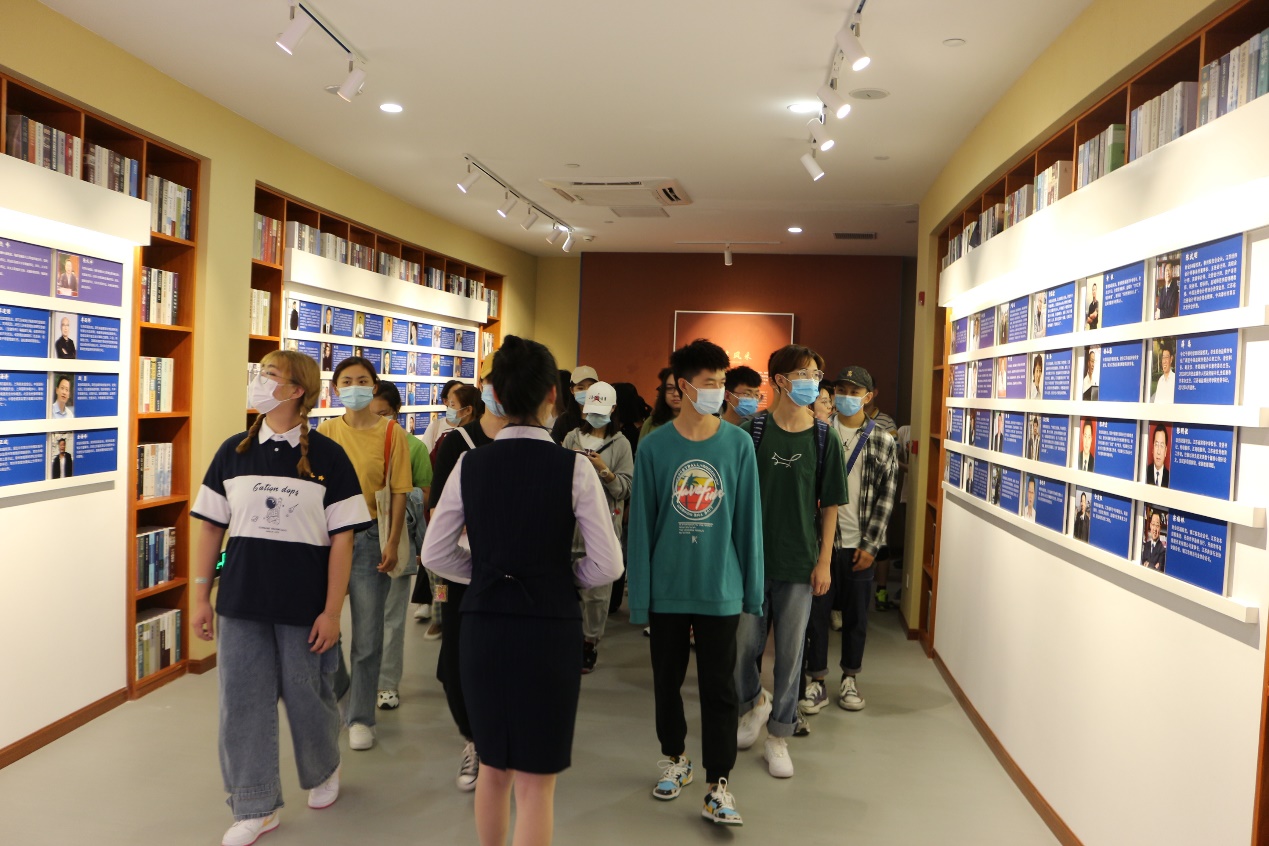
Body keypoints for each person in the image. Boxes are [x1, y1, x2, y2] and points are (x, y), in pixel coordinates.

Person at [423, 336, 623, 846]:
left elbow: (435, 555)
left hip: (483, 624)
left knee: (493, 767)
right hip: (549, 628)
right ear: (553, 396)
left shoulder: (470, 464)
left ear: (494, 396)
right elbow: (608, 564)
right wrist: (563, 579)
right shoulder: (575, 468)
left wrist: (484, 574)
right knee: (537, 782)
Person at [191, 350, 371, 846]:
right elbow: (210, 529)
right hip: (241, 603)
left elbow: (343, 541)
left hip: (304, 607)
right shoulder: (233, 452)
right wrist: (201, 596)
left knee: (309, 696)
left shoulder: (330, 458)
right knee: (242, 704)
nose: (259, 380)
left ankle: (323, 768)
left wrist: (332, 611)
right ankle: (255, 805)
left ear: (296, 391)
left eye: (270, 374)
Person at [627, 338, 763, 825]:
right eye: (710, 383)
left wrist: (752, 590)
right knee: (666, 682)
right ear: (683, 386)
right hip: (667, 588)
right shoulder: (654, 446)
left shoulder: (738, 444)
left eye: (722, 383)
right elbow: (641, 527)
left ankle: (717, 784)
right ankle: (676, 758)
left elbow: (748, 522)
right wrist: (639, 597)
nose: (719, 392)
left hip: (719, 588)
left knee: (719, 689)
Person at [735, 345, 846, 779]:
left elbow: (831, 505)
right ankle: (754, 704)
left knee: (790, 654)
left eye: (817, 375)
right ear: (780, 380)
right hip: (751, 560)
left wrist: (825, 561)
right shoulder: (751, 432)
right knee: (743, 647)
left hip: (800, 561)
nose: (813, 382)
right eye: (805, 375)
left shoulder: (823, 437)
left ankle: (779, 734)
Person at [316, 356, 412, 752]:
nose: (354, 387)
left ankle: (360, 718)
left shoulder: (391, 433)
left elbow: (400, 490)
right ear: (335, 387)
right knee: (325, 627)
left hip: (371, 537)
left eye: (362, 380)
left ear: (373, 386)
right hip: (329, 539)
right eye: (346, 380)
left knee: (369, 637)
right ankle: (344, 692)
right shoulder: (325, 432)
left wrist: (392, 541)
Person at [425, 356, 506, 791]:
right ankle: (474, 739)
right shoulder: (457, 442)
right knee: (458, 663)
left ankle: (503, 742)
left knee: (507, 662)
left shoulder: (535, 442)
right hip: (461, 572)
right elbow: (439, 509)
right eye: (490, 381)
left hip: (514, 575)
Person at [801, 364, 897, 719]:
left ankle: (850, 678)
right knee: (816, 617)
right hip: (822, 546)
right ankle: (816, 680)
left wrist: (872, 545)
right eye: (841, 390)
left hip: (860, 544)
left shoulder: (883, 441)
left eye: (854, 392)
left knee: (857, 618)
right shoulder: (818, 433)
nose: (846, 397)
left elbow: (887, 496)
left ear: (868, 397)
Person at [557, 381, 632, 673]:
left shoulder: (621, 444)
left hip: (602, 527)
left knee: (597, 595)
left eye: (602, 412)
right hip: (570, 526)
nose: (596, 417)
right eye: (591, 411)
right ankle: (569, 639)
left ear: (612, 410)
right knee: (566, 589)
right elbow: (556, 479)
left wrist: (604, 470)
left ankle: (589, 643)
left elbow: (625, 489)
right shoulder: (571, 438)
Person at [368, 382, 432, 711]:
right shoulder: (354, 442)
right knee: (365, 618)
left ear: (396, 412)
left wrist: (397, 499)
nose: (377, 420)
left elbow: (424, 494)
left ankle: (387, 683)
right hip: (360, 540)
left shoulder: (413, 447)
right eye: (371, 413)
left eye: (384, 413)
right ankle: (362, 679)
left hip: (397, 538)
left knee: (392, 618)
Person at [416, 383, 483, 637]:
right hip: (451, 522)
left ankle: (444, 615)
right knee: (440, 578)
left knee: (453, 577)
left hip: (469, 528)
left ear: (468, 410)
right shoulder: (449, 438)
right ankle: (439, 615)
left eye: (453, 405)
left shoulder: (470, 440)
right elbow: (437, 482)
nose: (449, 409)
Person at [550, 365, 598, 443]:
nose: (587, 391)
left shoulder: (604, 418)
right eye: (580, 388)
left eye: (591, 387)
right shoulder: (563, 421)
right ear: (572, 390)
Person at [419, 379, 464, 454]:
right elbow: (425, 455)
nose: (460, 397)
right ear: (445, 401)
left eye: (463, 393)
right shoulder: (435, 426)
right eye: (456, 393)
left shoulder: (471, 426)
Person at [639, 366, 680, 442]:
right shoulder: (651, 422)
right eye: (670, 388)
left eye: (681, 388)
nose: (676, 394)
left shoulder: (702, 424)